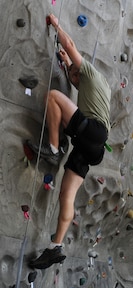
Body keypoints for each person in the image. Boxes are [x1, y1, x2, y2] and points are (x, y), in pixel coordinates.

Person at [29, 14, 111, 269]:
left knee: (54, 97)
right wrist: (66, 66)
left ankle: (54, 148)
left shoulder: (90, 72)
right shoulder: (100, 87)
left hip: (93, 131)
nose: (73, 81)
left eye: (75, 76)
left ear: (81, 72)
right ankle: (56, 246)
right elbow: (76, 83)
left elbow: (71, 47)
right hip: (92, 147)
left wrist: (56, 25)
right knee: (67, 194)